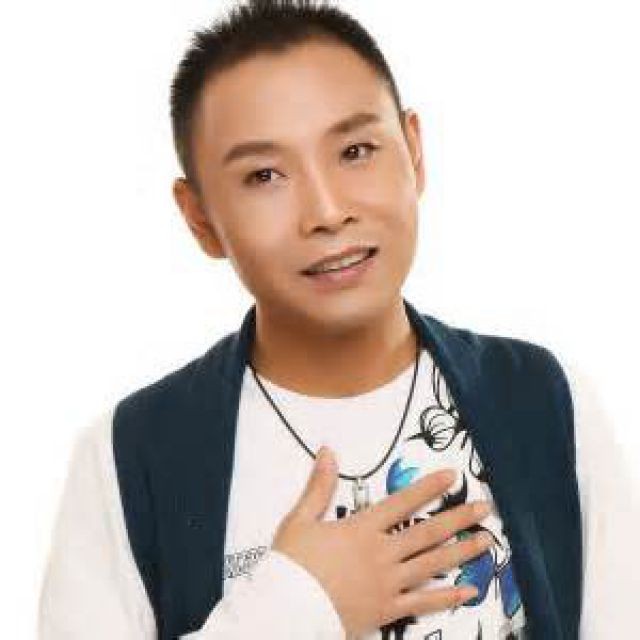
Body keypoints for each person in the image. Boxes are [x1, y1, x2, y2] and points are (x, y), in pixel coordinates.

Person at [37, 1, 638, 638]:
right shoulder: (130, 454)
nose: (326, 211)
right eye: (264, 175)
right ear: (200, 217)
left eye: (355, 150)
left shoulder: (542, 398)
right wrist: (297, 607)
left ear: (414, 151)